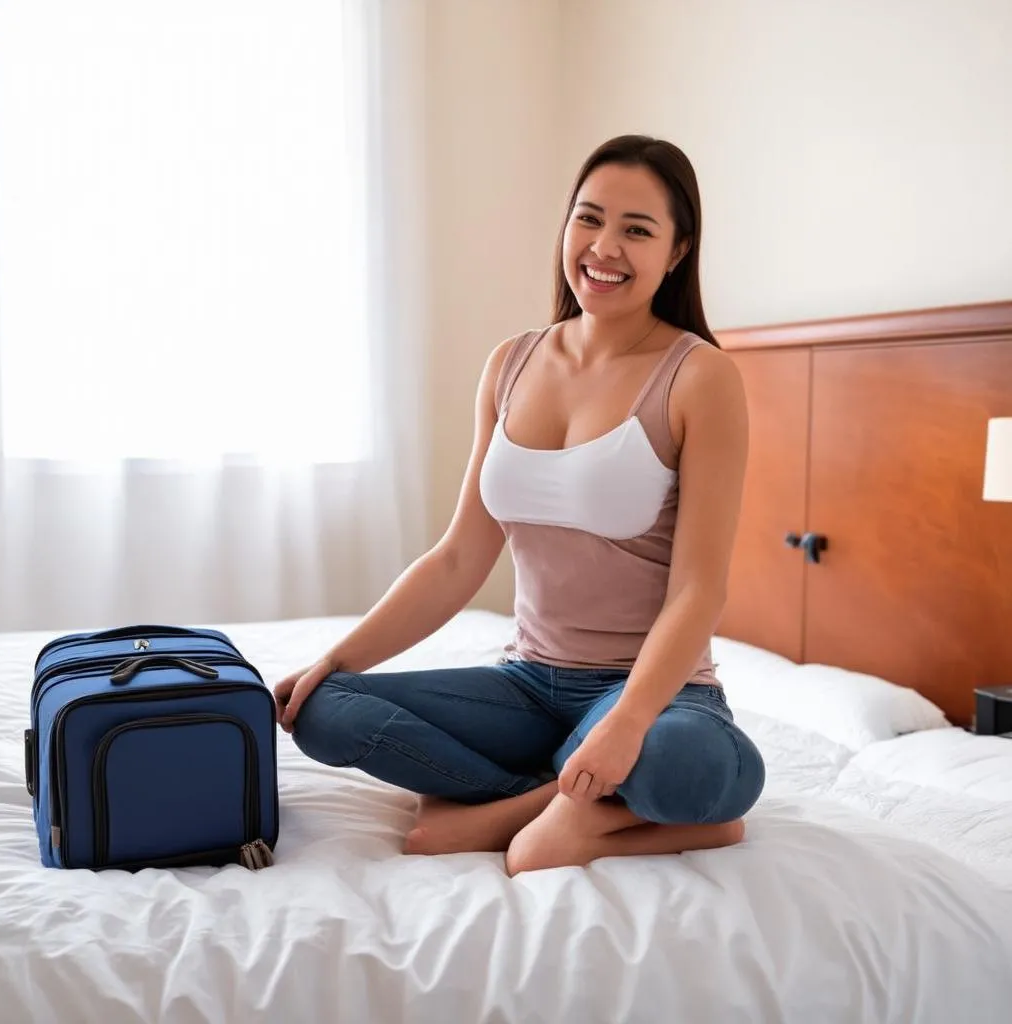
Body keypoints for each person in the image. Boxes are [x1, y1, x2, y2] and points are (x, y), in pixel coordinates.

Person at [273, 134, 766, 875]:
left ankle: (533, 802)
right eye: (588, 219)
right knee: (322, 710)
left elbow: (699, 589)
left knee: (685, 760)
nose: (604, 247)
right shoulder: (512, 363)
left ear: (676, 251)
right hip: (528, 687)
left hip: (652, 694)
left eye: (637, 230)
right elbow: (458, 557)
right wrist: (335, 660)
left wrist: (629, 720)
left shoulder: (699, 377)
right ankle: (550, 801)